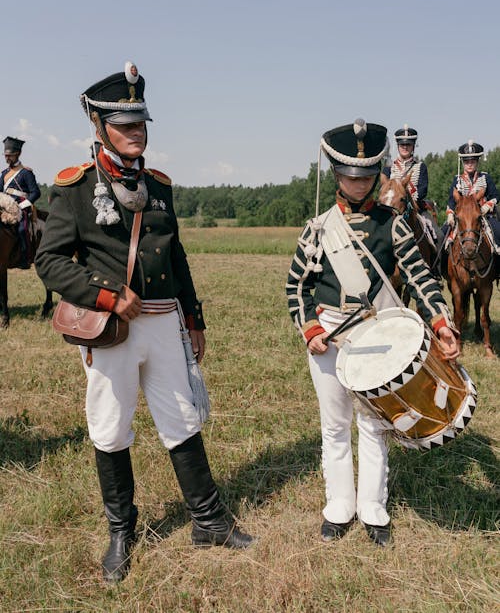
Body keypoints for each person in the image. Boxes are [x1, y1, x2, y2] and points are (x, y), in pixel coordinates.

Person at [35, 62, 253, 584]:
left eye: (141, 123)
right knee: (111, 427)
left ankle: (209, 521)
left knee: (181, 417)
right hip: (114, 329)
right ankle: (122, 532)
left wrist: (193, 316)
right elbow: (50, 260)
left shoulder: (159, 186)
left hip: (164, 322)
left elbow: (175, 258)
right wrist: (109, 296)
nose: (137, 133)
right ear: (99, 127)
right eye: (125, 125)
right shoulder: (75, 188)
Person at [286, 119, 459, 547]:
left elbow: (421, 276)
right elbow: (297, 287)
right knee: (334, 423)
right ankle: (339, 506)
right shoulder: (319, 228)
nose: (359, 183)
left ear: (376, 173)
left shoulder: (393, 222)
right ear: (337, 174)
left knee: (375, 422)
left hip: (376, 331)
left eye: (366, 176)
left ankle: (373, 507)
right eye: (350, 176)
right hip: (329, 332)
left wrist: (440, 321)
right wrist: (309, 328)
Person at [445, 140, 500, 253]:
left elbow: (496, 196)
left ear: (477, 162)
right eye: (466, 161)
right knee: (442, 235)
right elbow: (451, 200)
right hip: (462, 218)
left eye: (472, 161)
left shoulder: (485, 177)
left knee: (498, 231)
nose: (469, 164)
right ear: (463, 163)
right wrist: (450, 214)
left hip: (483, 216)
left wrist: (487, 206)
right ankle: (441, 268)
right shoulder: (457, 180)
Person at [0, 136, 41, 268]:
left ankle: (25, 257)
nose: (7, 158)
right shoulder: (4, 173)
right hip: (4, 206)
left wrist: (21, 206)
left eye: (10, 155)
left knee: (22, 229)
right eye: (5, 155)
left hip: (21, 207)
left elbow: (35, 192)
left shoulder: (26, 172)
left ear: (18, 154)